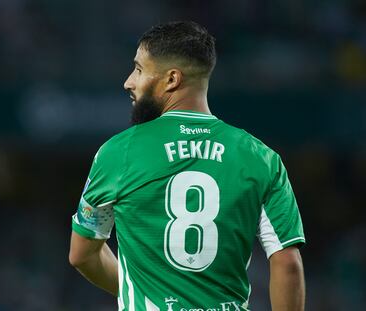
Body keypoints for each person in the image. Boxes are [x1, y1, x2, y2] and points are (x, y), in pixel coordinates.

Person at [69, 21, 306, 311]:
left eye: (139, 70)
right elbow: (288, 264)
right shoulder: (260, 157)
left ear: (172, 79)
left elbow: (82, 255)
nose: (128, 81)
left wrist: (140, 288)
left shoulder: (118, 153)